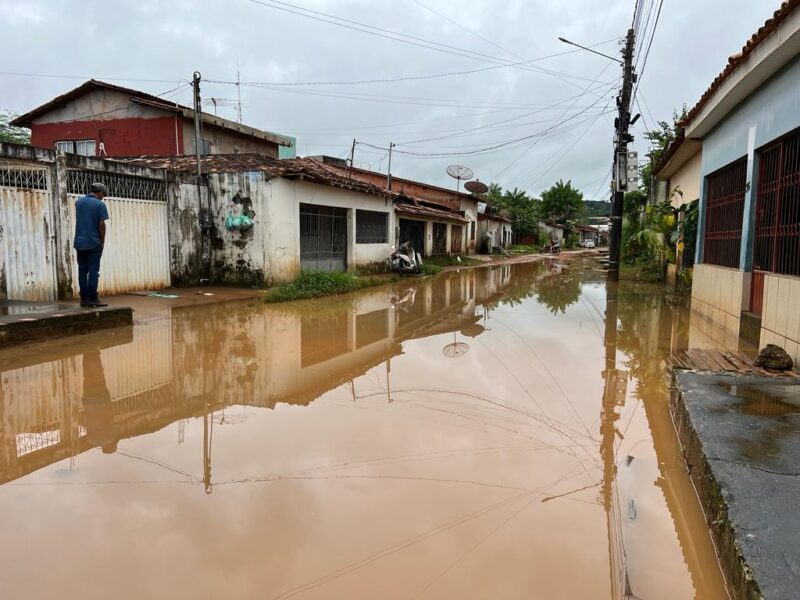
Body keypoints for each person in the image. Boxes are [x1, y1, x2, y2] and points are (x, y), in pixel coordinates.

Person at [74, 182, 110, 307]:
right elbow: (101, 225)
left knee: (82, 271)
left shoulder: (78, 202)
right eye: (103, 195)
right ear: (99, 192)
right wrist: (102, 241)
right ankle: (93, 298)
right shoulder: (100, 205)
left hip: (79, 243)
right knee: (94, 271)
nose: (103, 197)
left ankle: (84, 299)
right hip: (93, 243)